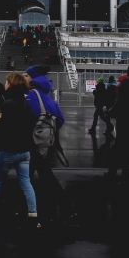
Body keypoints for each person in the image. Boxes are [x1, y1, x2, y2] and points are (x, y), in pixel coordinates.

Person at [0, 72, 38, 228]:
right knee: (26, 182)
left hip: (8, 150)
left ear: (10, 85)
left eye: (6, 82)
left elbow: (3, 128)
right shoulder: (26, 103)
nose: (4, 84)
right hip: (24, 151)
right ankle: (33, 213)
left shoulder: (8, 104)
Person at [24, 65, 76, 225]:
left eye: (26, 75)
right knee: (39, 175)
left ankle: (27, 209)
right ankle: (65, 206)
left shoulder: (31, 96)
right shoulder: (48, 97)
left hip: (32, 143)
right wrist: (48, 133)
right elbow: (60, 120)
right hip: (45, 144)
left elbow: (24, 117)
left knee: (30, 176)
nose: (24, 78)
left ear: (32, 78)